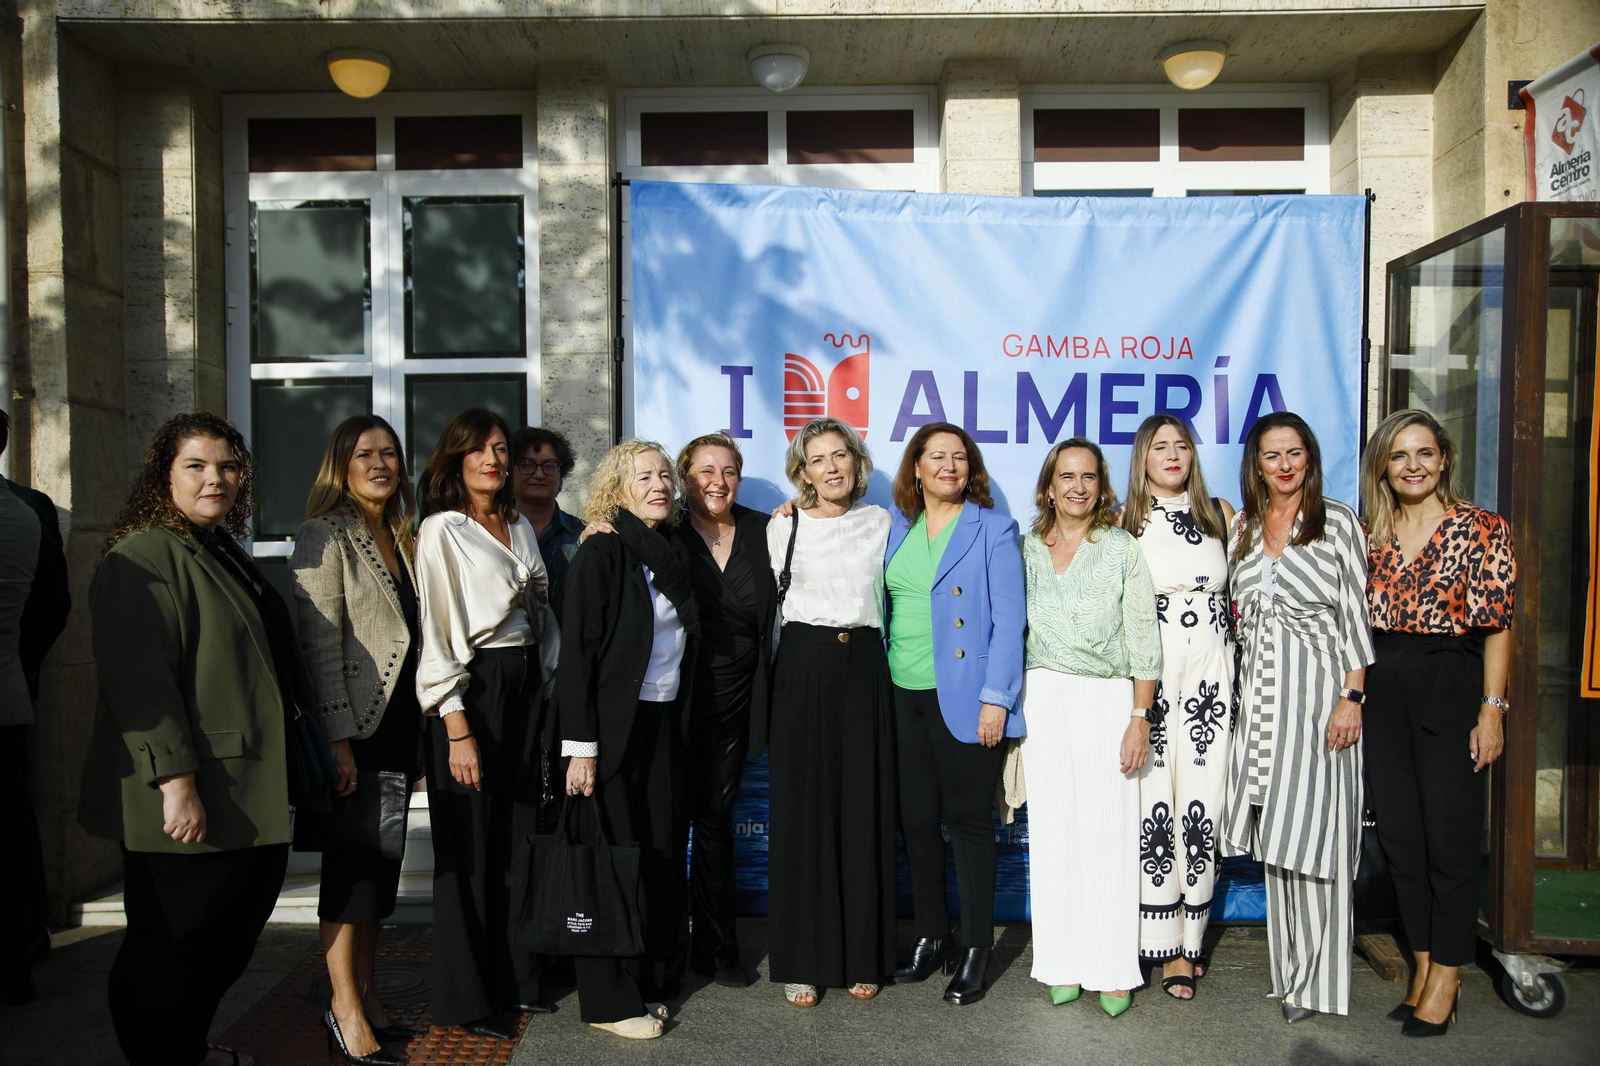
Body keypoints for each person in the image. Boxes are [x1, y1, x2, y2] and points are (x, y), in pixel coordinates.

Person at [79, 412, 311, 1066]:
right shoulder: (143, 555)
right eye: (197, 466)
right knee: (171, 945)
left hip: (240, 786)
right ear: (163, 476)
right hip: (188, 791)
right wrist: (175, 783)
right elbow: (140, 683)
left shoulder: (214, 548)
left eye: (229, 466)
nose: (217, 479)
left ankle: (184, 1047)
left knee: (226, 936)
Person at [1361, 409, 1515, 1038]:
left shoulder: (1482, 530)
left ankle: (1449, 977)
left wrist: (1492, 710)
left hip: (1452, 680)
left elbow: (1498, 626)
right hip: (1385, 680)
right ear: (1385, 467)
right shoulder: (1372, 531)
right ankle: (1424, 965)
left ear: (1444, 458)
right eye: (1400, 456)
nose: (1413, 466)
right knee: (1401, 839)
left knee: (1450, 841)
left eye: (1424, 453)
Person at [1221, 411, 1375, 1023]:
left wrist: (1352, 696)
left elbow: (1355, 615)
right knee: (1280, 845)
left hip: (1319, 700)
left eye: (1294, 454)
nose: (1283, 466)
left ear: (1309, 457)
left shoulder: (1336, 522)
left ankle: (1319, 985)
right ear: (1255, 465)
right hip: (1258, 701)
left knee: (1319, 842)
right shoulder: (1246, 528)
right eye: (1271, 456)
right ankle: (1288, 978)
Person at [415, 408, 551, 1041]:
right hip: (474, 692)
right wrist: (456, 726)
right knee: (469, 851)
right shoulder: (443, 529)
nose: (494, 460)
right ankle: (467, 1000)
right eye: (481, 450)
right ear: (456, 458)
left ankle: (512, 976)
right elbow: (437, 634)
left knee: (516, 841)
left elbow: (540, 615)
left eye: (502, 449)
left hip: (525, 689)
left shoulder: (519, 523)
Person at [556, 439, 699, 1040]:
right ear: (617, 489)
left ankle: (652, 979)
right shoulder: (603, 551)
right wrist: (580, 748)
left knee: (660, 852)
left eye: (665, 475)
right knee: (611, 861)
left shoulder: (672, 550)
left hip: (665, 723)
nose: (659, 485)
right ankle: (610, 1002)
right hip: (610, 733)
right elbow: (578, 659)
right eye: (643, 477)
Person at [290, 415, 422, 1064]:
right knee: (349, 875)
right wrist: (337, 738)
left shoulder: (401, 533)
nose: (380, 463)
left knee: (381, 874)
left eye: (390, 453)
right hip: (358, 731)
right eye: (365, 453)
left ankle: (367, 993)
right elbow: (319, 644)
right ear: (339, 464)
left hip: (398, 729)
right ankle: (342, 1006)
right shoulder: (327, 532)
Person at [884, 422, 1024, 1006]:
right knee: (916, 820)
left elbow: (1011, 621)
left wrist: (997, 697)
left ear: (972, 470)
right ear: (915, 467)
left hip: (966, 696)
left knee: (967, 825)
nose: (949, 466)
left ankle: (974, 949)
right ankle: (930, 936)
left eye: (959, 458)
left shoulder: (993, 529)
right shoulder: (896, 529)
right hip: (900, 692)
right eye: (936, 456)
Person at [1019, 437, 1160, 1018]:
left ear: (1102, 487)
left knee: (1108, 831)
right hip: (1042, 696)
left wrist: (1138, 717)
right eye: (1066, 476)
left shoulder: (1121, 547)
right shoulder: (1025, 548)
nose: (1077, 487)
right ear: (1048, 487)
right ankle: (1059, 961)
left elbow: (1144, 640)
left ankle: (1110, 967)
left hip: (1108, 698)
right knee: (1053, 832)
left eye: (1089, 477)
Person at [766, 417, 896, 1008]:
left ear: (857, 462)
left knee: (863, 809)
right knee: (804, 813)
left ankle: (863, 955)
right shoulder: (783, 528)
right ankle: (804, 960)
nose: (833, 467)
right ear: (802, 472)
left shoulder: (882, 523)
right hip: (803, 664)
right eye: (819, 459)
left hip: (865, 667)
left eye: (841, 455)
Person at [1121, 414, 1236, 999]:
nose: (1171, 455)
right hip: (1151, 682)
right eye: (1159, 446)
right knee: (1150, 809)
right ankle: (1151, 941)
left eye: (1181, 445)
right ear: (1142, 457)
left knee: (1202, 806)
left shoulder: (1220, 512)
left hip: (1211, 683)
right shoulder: (1124, 521)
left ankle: (1188, 948)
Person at [672, 433, 775, 987]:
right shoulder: (662, 531)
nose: (717, 480)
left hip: (737, 699)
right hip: (671, 699)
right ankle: (664, 949)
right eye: (705, 470)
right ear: (684, 476)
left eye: (729, 470)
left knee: (715, 824)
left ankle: (719, 948)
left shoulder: (767, 529)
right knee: (666, 827)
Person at [0, 408, 46, 1006]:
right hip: (12, 690)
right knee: (11, 835)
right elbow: (46, 609)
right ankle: (19, 954)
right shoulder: (26, 511)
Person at [510, 425, 585, 623]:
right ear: (509, 471)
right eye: (527, 464)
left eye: (550, 466)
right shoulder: (490, 531)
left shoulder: (582, 535)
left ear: (562, 475)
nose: (539, 474)